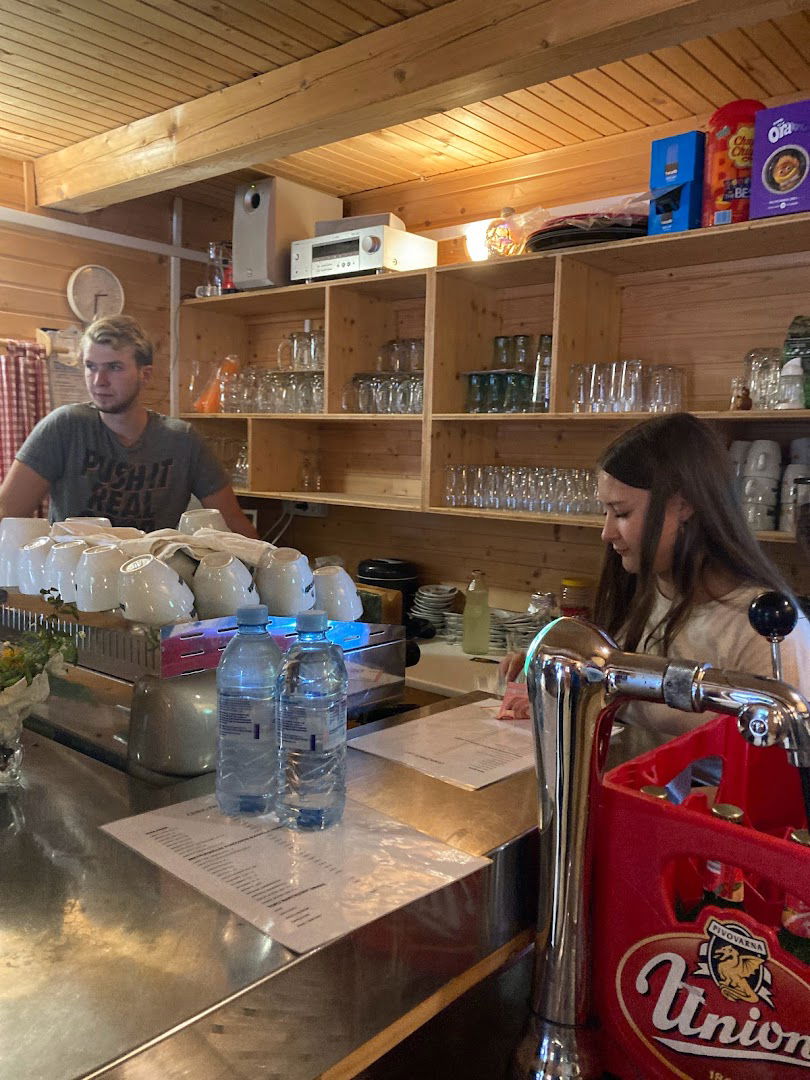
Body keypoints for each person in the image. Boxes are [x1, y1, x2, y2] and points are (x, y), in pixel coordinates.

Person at [503, 412, 810, 743]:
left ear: (684, 506)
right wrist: (556, 679)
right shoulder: (640, 592)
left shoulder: (765, 630)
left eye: (621, 513)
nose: (606, 533)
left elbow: (778, 778)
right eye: (604, 512)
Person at [0, 315, 258, 538]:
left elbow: (234, 524)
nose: (99, 381)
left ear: (144, 375)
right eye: (91, 367)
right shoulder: (65, 427)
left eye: (114, 367)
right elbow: (6, 514)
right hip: (71, 584)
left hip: (153, 581)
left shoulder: (182, 441)